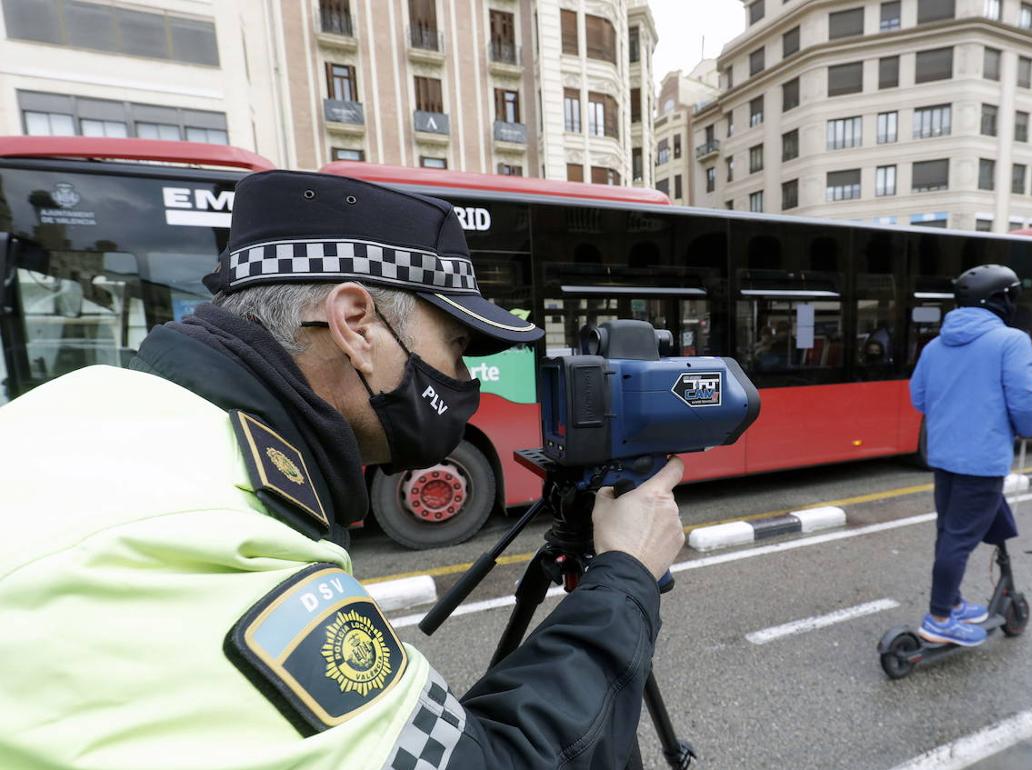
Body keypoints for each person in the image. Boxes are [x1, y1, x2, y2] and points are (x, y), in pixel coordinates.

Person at [0, 171, 686, 769]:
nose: (464, 378)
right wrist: (625, 572)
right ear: (356, 324)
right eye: (454, 346)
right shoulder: (212, 539)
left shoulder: (79, 410)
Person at [908, 265, 1032, 647]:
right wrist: (1029, 428)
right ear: (1001, 300)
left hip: (944, 455)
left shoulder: (935, 345)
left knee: (948, 533)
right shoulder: (1011, 341)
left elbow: (917, 398)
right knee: (960, 540)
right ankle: (938, 620)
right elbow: (1025, 399)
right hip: (982, 459)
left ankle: (950, 603)